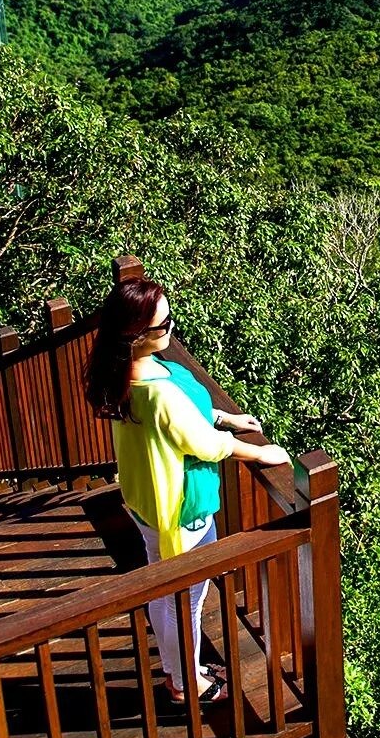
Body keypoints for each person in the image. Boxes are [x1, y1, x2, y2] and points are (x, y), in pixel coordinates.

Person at [84, 276, 287, 703]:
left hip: (145, 500)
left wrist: (225, 417)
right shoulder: (156, 394)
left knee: (168, 586)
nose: (171, 329)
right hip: (178, 509)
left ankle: (183, 668)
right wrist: (257, 453)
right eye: (164, 325)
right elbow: (204, 445)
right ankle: (183, 682)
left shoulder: (126, 372)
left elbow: (185, 415)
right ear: (137, 336)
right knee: (185, 598)